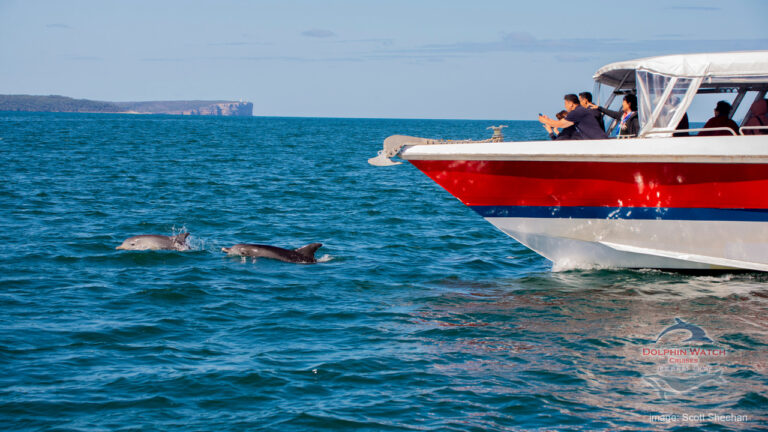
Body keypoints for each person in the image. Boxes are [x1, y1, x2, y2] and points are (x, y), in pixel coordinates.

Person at [539, 94, 608, 140]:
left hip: (598, 142)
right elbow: (562, 123)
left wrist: (544, 120)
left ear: (571, 104)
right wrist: (548, 120)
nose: (565, 106)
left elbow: (560, 124)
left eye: (565, 104)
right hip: (598, 140)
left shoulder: (576, 112)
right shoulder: (581, 110)